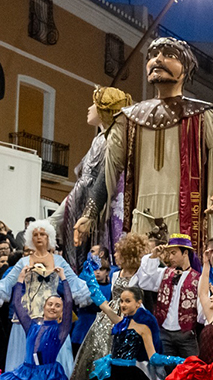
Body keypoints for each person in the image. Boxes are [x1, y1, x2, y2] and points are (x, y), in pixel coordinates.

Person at [74, 37, 213, 247]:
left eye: (169, 55)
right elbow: (109, 170)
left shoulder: (203, 115)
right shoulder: (129, 118)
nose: (157, 60)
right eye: (152, 56)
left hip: (185, 214)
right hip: (141, 215)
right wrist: (90, 212)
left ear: (185, 69)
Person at [0, 220, 90, 376]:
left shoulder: (59, 261)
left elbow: (74, 284)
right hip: (25, 318)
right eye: (35, 234)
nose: (39, 237)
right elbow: (5, 284)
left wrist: (95, 293)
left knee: (51, 360)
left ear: (49, 238)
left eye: (42, 234)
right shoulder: (23, 262)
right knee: (24, 359)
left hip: (51, 318)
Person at [49, 86, 133, 270]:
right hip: (96, 204)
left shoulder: (108, 141)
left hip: (104, 207)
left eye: (93, 105)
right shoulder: (101, 139)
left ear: (104, 110)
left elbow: (92, 180)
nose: (89, 109)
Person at [72, 234, 150, 380]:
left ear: (128, 254)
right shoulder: (115, 274)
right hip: (108, 318)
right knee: (99, 352)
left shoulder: (140, 276)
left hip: (128, 317)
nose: (115, 255)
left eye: (119, 252)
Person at [134, 234, 204, 359]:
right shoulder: (165, 273)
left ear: (185, 253)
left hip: (186, 334)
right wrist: (153, 257)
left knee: (192, 369)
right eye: (169, 253)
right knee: (167, 370)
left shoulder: (198, 278)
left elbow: (202, 309)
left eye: (173, 253)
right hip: (164, 332)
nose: (170, 257)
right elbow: (144, 282)